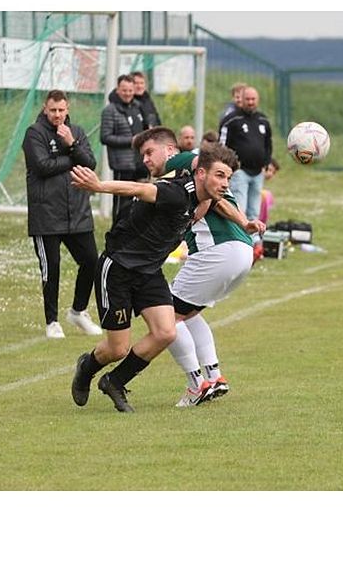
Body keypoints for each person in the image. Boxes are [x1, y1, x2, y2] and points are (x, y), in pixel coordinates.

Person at [68, 127, 238, 413]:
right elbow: (139, 188)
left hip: (149, 271)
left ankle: (115, 381)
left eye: (228, 178)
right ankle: (87, 367)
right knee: (117, 348)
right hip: (118, 267)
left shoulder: (205, 196)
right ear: (200, 174)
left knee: (166, 332)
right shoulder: (174, 192)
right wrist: (99, 186)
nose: (225, 183)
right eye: (220, 176)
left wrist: (245, 223)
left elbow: (221, 204)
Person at [158, 143, 266, 407]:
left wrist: (242, 222)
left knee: (166, 316)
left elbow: (213, 202)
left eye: (150, 152)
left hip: (218, 250)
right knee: (190, 313)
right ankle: (214, 376)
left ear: (169, 148)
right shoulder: (213, 170)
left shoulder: (186, 162)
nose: (146, 160)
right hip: (241, 252)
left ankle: (197, 384)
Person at [22, 89, 102, 340]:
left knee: (92, 261)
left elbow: (90, 163)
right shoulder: (34, 133)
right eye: (53, 110)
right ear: (45, 109)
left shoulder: (76, 132)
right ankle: (52, 322)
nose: (57, 115)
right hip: (47, 215)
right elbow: (42, 166)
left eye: (61, 110)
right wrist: (71, 158)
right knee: (51, 268)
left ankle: (78, 311)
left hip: (77, 212)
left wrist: (72, 145)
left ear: (67, 110)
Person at [219, 86, 273, 225]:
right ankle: (238, 240)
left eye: (253, 99)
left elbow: (268, 143)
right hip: (239, 171)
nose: (250, 102)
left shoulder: (263, 120)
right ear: (241, 100)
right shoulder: (231, 120)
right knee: (239, 209)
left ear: (258, 100)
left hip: (258, 172)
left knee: (254, 211)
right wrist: (228, 167)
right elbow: (222, 145)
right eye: (247, 99)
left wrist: (266, 162)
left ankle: (253, 244)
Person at [100, 74, 147, 224]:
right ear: (118, 90)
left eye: (130, 90)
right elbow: (105, 137)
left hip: (140, 163)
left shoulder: (138, 107)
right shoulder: (110, 110)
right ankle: (117, 235)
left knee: (139, 204)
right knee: (122, 204)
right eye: (124, 90)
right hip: (122, 165)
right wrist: (131, 141)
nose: (127, 93)